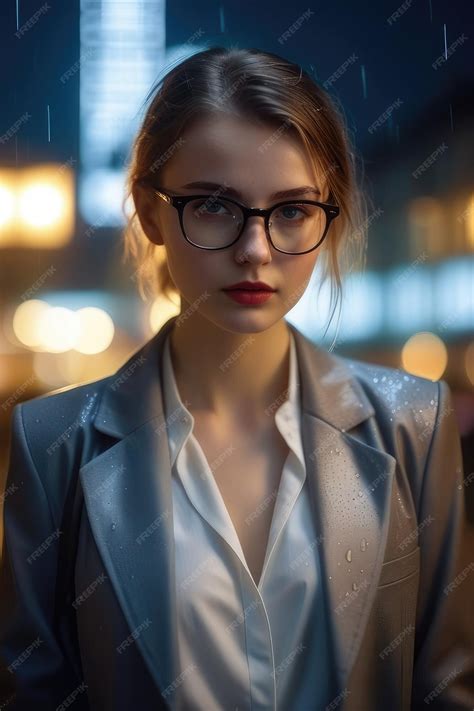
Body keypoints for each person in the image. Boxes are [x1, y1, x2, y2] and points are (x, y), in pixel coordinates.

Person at [1, 46, 473, 711]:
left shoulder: (413, 425)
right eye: (217, 206)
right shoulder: (53, 442)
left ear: (328, 214)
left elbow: (446, 688)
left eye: (291, 211)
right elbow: (35, 694)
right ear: (151, 210)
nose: (256, 249)